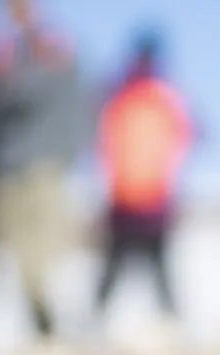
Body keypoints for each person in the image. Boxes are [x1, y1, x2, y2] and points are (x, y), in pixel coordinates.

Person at [0, 0, 88, 339]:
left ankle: (51, 323)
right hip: (9, 170)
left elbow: (50, 98)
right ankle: (29, 324)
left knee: (44, 252)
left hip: (42, 168)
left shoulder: (51, 49)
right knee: (14, 253)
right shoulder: (1, 51)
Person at [94, 30, 194, 321]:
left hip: (126, 194)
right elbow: (193, 134)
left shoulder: (116, 94)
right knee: (156, 269)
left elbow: (102, 142)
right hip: (153, 197)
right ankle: (170, 321)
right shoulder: (166, 97)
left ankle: (97, 320)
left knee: (116, 267)